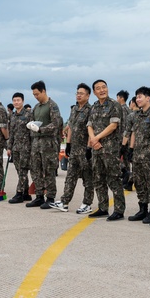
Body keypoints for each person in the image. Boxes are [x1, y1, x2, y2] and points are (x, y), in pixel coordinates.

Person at [86, 80, 125, 219]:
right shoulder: (94, 106)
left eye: (104, 87)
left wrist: (96, 138)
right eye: (98, 88)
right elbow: (89, 124)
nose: (102, 90)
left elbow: (113, 125)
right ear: (94, 92)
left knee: (114, 179)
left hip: (110, 149)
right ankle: (103, 207)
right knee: (98, 179)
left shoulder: (114, 105)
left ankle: (119, 210)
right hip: (96, 149)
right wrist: (93, 139)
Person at [55, 84, 94, 213]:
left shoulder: (90, 110)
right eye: (77, 93)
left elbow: (91, 130)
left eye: (81, 93)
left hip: (85, 149)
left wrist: (89, 148)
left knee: (87, 178)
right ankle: (64, 202)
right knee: (70, 176)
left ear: (88, 96)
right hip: (74, 149)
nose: (78, 95)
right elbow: (70, 127)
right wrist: (68, 144)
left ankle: (87, 203)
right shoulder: (74, 109)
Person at [27, 81, 63, 208]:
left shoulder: (52, 106)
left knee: (49, 170)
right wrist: (31, 125)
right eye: (34, 94)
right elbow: (33, 121)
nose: (35, 96)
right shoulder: (36, 107)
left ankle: (51, 197)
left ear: (43, 91)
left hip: (48, 143)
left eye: (37, 94)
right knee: (36, 170)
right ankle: (39, 196)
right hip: (36, 143)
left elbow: (56, 124)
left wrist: (41, 129)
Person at [127, 86, 150, 222]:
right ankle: (142, 209)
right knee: (139, 183)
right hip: (137, 155)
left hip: (149, 155)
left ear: (148, 98)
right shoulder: (136, 115)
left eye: (140, 97)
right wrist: (130, 149)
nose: (137, 99)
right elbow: (133, 132)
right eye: (137, 97)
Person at [7, 93, 34, 203]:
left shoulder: (29, 115)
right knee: (19, 171)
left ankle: (19, 193)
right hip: (15, 148)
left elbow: (32, 131)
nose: (16, 102)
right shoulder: (12, 116)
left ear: (22, 101)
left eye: (18, 100)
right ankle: (26, 193)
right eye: (14, 100)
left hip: (26, 147)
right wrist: (9, 147)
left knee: (23, 170)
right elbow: (11, 133)